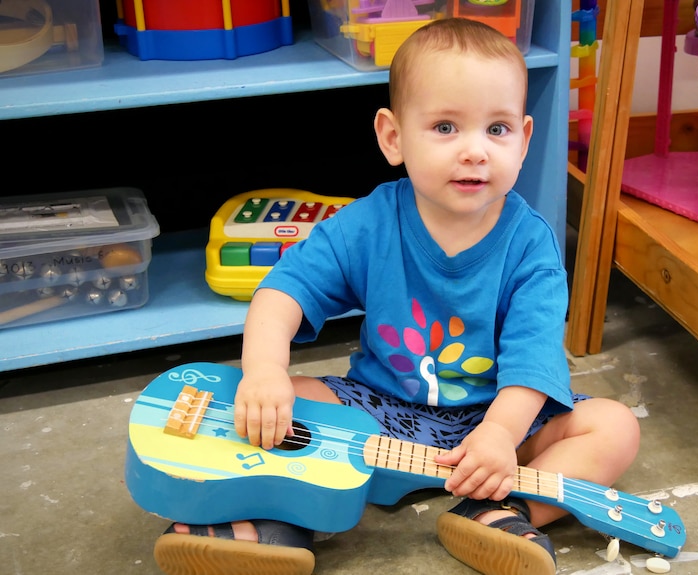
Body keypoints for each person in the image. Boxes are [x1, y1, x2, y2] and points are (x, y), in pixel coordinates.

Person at [153, 17, 640, 575]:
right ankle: (272, 521)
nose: (476, 151)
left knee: (612, 426)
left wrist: (500, 436)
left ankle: (499, 510)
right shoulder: (367, 223)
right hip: (377, 416)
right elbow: (283, 290)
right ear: (393, 137)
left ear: (525, 140)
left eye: (497, 129)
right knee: (275, 397)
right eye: (445, 127)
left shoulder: (530, 246)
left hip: (498, 428)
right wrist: (263, 371)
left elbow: (532, 362)